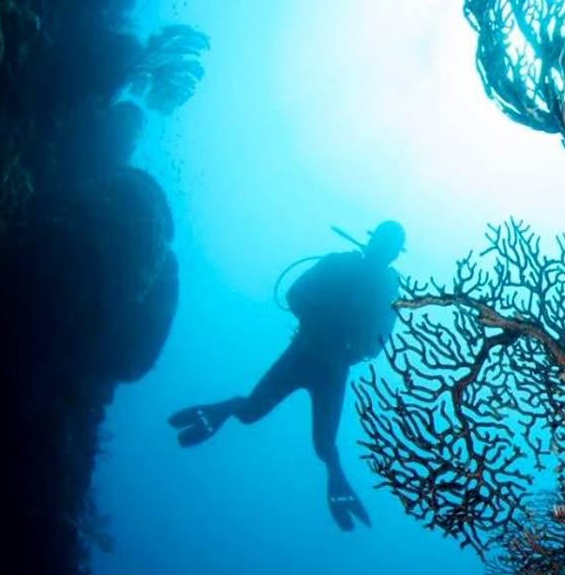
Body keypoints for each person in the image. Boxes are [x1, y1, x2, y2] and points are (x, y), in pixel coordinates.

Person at [168, 220, 405, 531]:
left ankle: (337, 484)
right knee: (253, 414)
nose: (382, 253)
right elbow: (294, 296)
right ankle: (226, 408)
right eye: (382, 246)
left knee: (323, 446)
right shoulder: (340, 265)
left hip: (330, 366)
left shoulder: (387, 290)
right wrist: (325, 323)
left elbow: (377, 343)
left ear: (391, 254)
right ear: (375, 244)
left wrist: (343, 341)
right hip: (307, 354)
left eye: (387, 249)